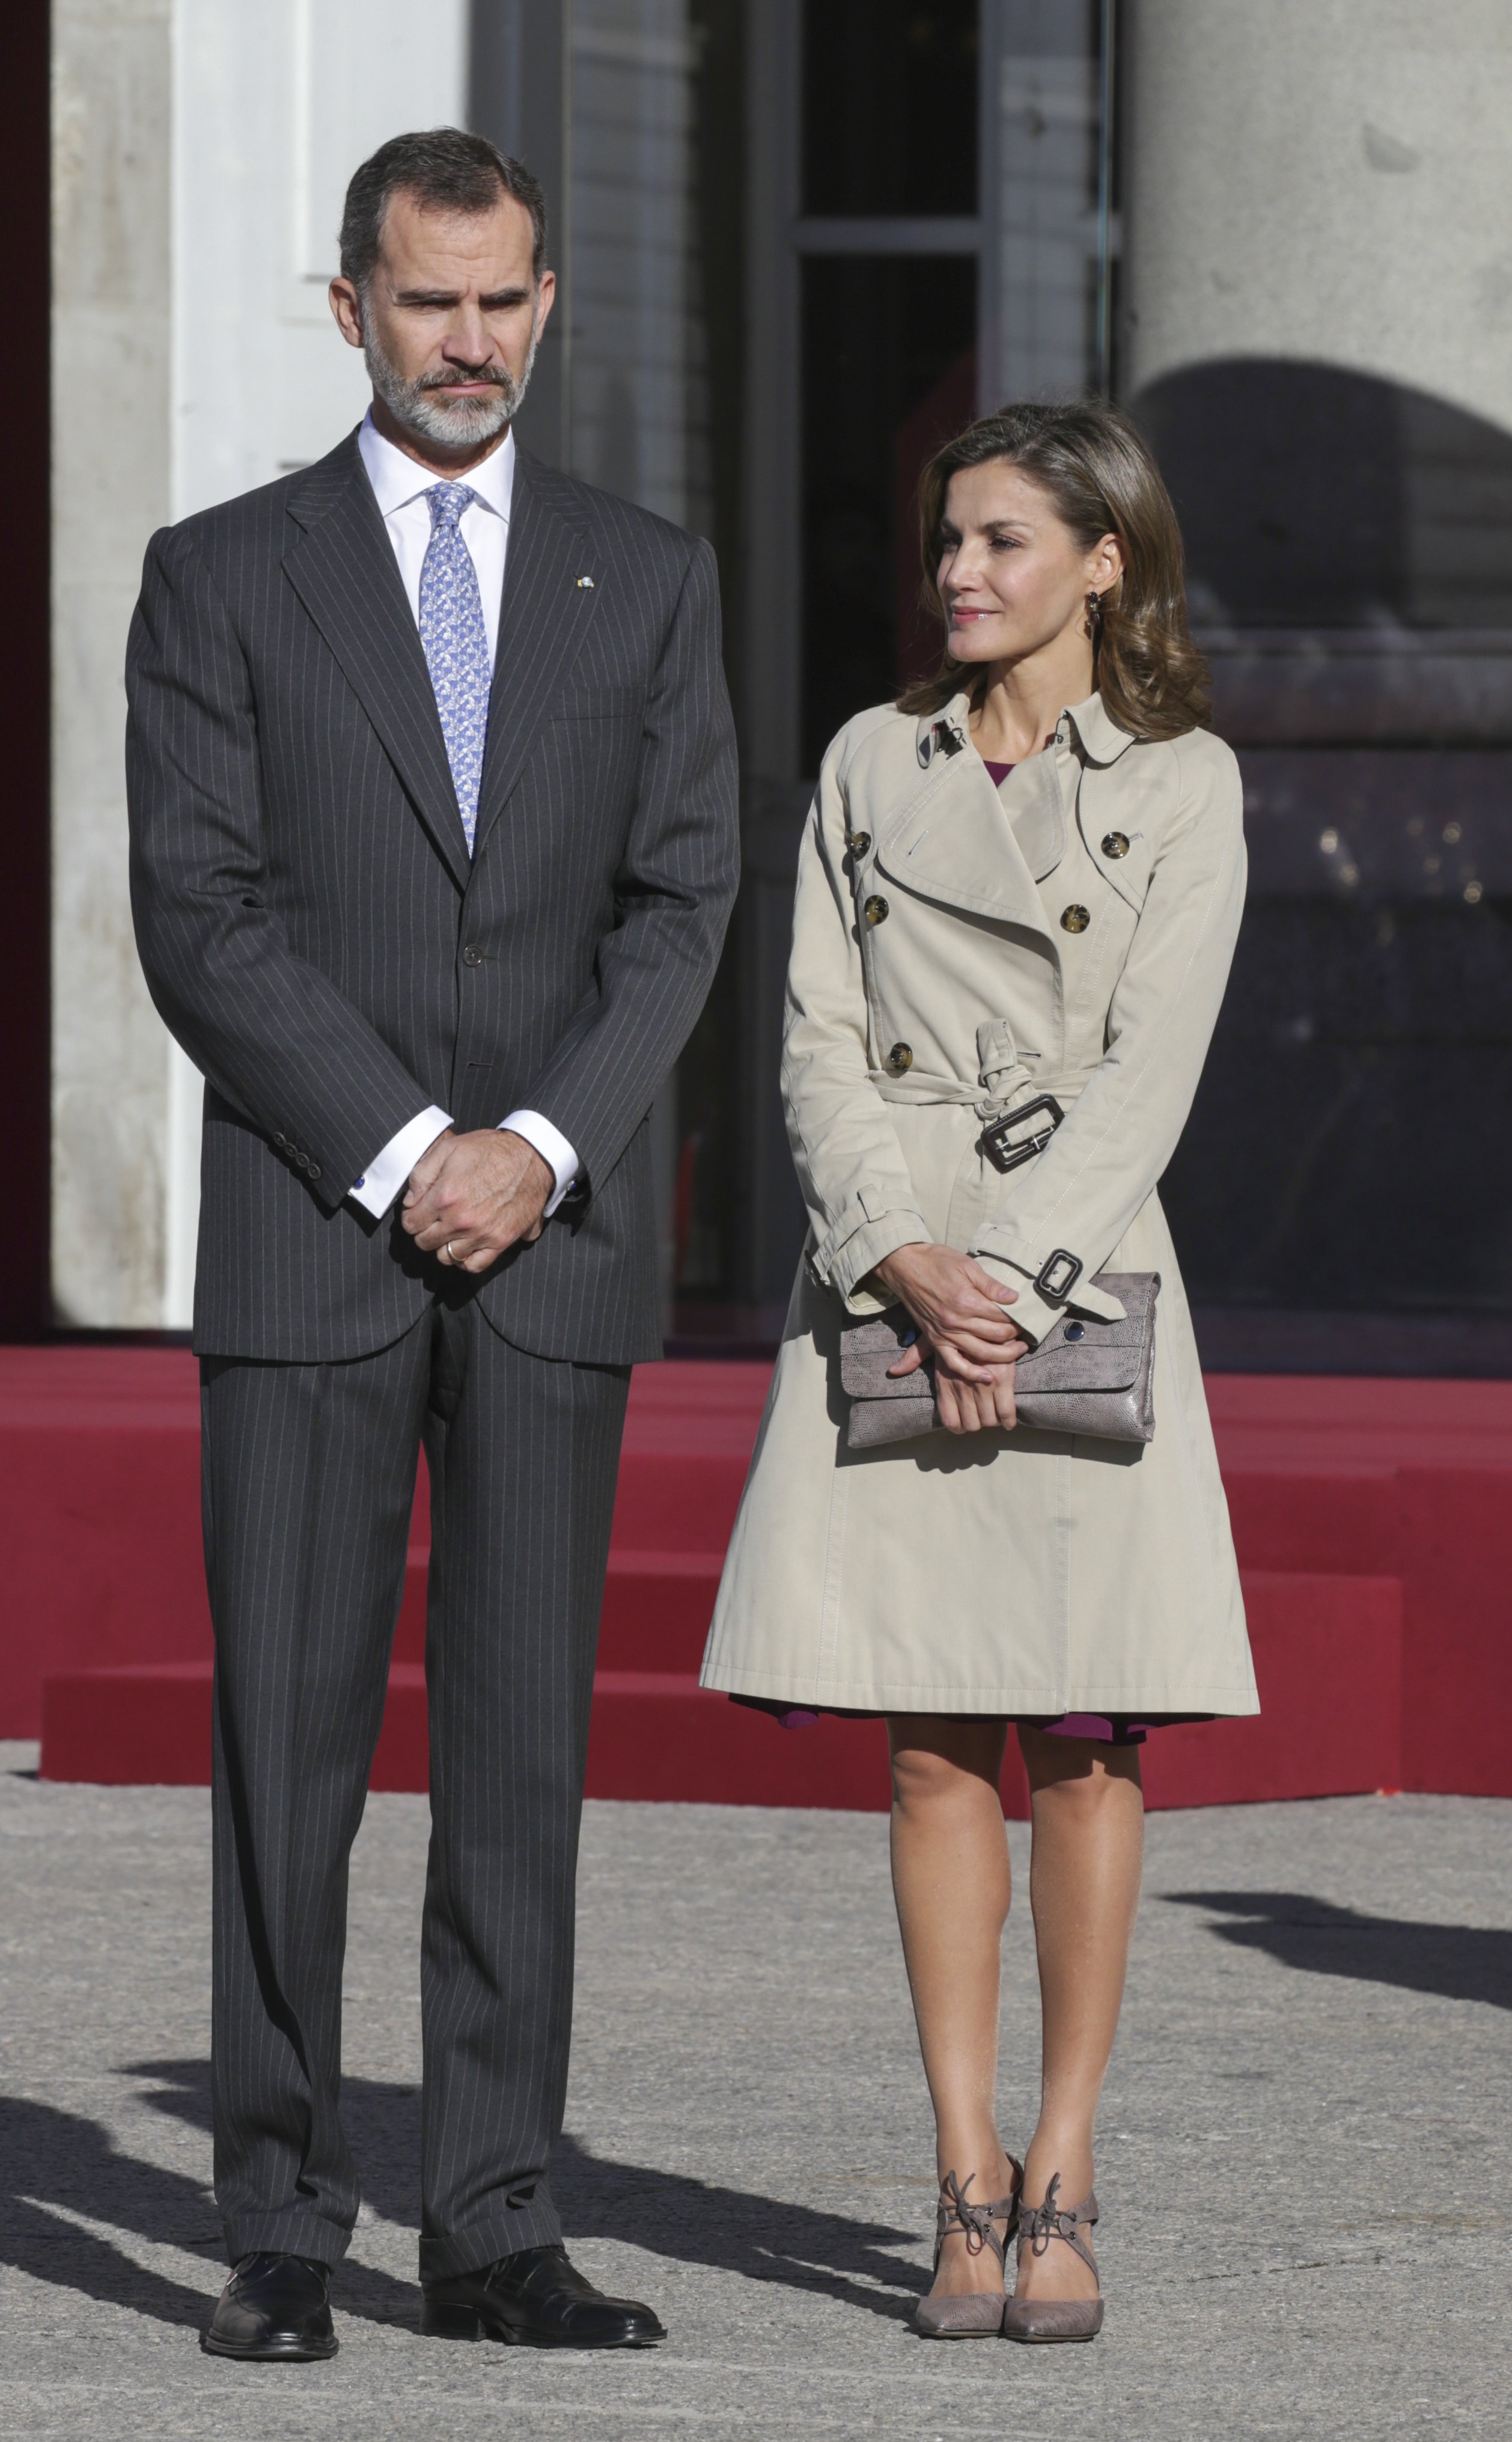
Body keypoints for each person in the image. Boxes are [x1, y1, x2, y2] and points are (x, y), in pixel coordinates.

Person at [127, 127, 738, 2360]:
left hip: (553, 1255)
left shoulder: (644, 577)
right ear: (350, 309)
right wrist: (412, 1150)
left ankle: (492, 2220)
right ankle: (282, 2222)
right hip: (319, 1239)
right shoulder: (221, 576)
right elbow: (200, 914)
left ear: (549, 303)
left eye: (502, 301)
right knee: (288, 1748)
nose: (467, 342)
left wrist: (548, 1145)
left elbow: (685, 902)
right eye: (425, 301)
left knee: (520, 1756)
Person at [700, 401, 1257, 2342]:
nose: (959, 573)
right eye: (948, 540)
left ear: (1106, 561)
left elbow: (1153, 1075)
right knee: (931, 1742)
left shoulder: (1185, 782)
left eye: (1004, 541)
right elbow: (812, 1036)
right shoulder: (872, 762)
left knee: (1091, 1743)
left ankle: (1068, 2169)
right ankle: (957, 2184)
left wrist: (1007, 1282)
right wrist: (898, 1257)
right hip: (893, 1264)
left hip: (1076, 1275)